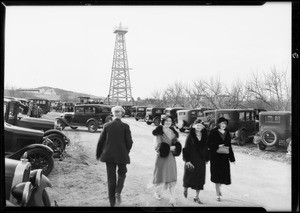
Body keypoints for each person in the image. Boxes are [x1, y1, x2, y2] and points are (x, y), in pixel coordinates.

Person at [96, 106, 133, 207]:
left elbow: (100, 141)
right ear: (121, 113)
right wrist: (125, 152)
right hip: (122, 155)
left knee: (111, 179)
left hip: (109, 156)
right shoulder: (125, 126)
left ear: (113, 114)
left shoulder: (107, 125)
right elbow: (129, 142)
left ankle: (112, 203)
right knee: (122, 173)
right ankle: (118, 191)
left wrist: (99, 154)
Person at [151, 115, 181, 206]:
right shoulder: (159, 132)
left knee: (172, 175)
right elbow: (158, 146)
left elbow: (177, 143)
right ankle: (157, 192)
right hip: (162, 157)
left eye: (170, 121)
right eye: (166, 120)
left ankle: (172, 197)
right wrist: (170, 148)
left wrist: (176, 147)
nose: (168, 122)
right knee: (160, 175)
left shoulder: (173, 132)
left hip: (171, 157)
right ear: (163, 121)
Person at [182, 118, 209, 204]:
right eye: (197, 125)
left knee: (200, 179)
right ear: (194, 126)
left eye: (201, 125)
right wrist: (187, 160)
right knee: (188, 176)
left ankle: (196, 197)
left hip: (201, 160)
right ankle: (185, 189)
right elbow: (186, 149)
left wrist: (207, 158)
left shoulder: (205, 135)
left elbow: (208, 148)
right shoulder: (190, 136)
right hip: (191, 159)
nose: (199, 127)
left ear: (203, 127)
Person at [208, 117, 235, 202]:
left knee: (223, 175)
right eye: (222, 123)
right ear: (218, 124)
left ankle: (219, 189)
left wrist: (232, 158)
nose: (223, 125)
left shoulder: (227, 133)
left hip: (224, 157)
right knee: (216, 176)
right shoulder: (213, 132)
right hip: (215, 157)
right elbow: (208, 144)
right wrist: (217, 146)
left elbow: (229, 146)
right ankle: (217, 194)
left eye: (225, 124)